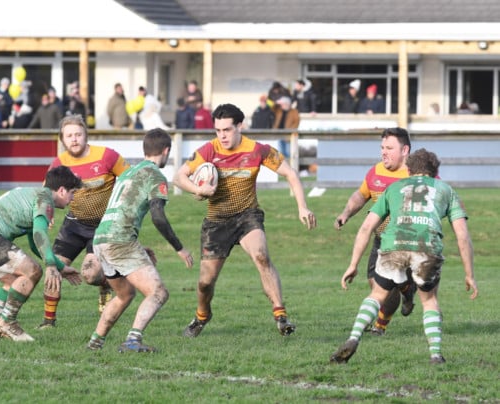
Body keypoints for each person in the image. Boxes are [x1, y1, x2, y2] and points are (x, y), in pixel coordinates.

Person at [173, 103, 317, 338]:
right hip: (216, 222)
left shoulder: (257, 150)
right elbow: (178, 177)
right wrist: (198, 189)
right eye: (218, 130)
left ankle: (281, 315)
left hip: (247, 216)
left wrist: (302, 206)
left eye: (227, 130)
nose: (222, 136)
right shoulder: (209, 150)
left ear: (240, 126)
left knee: (261, 256)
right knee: (205, 284)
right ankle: (202, 316)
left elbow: (290, 173)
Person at [330, 148, 478, 365]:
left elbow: (366, 228)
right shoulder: (447, 190)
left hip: (394, 246)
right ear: (435, 172)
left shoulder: (393, 188)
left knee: (377, 294)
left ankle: (353, 337)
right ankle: (435, 355)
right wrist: (469, 274)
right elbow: (462, 236)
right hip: (427, 249)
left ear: (408, 170)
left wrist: (353, 264)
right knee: (429, 300)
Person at [86, 128, 194, 352]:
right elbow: (158, 216)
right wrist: (180, 248)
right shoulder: (155, 176)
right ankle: (133, 341)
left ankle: (95, 342)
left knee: (124, 294)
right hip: (120, 240)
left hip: (101, 239)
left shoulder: (128, 172)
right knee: (158, 292)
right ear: (166, 151)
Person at [0, 166, 83, 342]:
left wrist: (60, 267)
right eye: (72, 193)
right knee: (33, 271)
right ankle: (7, 322)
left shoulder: (33, 194)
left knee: (14, 282)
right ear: (62, 190)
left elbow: (34, 244)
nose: (72, 199)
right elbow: (39, 234)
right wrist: (50, 265)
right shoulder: (45, 200)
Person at [37, 114, 131, 328]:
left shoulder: (106, 156)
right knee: (52, 268)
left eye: (78, 134)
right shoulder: (60, 163)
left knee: (90, 274)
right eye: (69, 136)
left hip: (103, 227)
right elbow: (46, 192)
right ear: (62, 139)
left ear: (86, 135)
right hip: (73, 225)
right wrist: (47, 214)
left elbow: (131, 180)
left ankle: (105, 282)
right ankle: (48, 322)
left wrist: (126, 208)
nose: (74, 139)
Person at [334, 127, 416, 336]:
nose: (383, 152)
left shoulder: (416, 173)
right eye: (382, 147)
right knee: (376, 284)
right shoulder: (376, 171)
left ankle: (380, 325)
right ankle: (406, 292)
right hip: (382, 240)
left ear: (404, 150)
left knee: (388, 285)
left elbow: (439, 195)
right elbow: (361, 195)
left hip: (410, 242)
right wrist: (346, 213)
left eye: (389, 148)